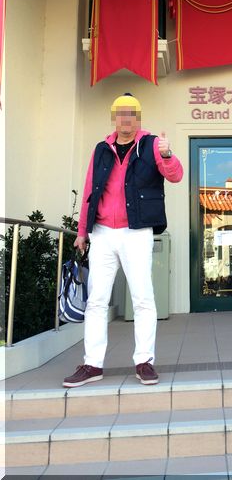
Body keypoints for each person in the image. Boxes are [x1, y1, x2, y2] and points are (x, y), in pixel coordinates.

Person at [63, 93, 183, 388]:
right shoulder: (101, 149)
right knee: (97, 300)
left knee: (143, 298)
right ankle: (92, 364)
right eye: (120, 113)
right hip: (102, 233)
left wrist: (168, 154)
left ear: (138, 118)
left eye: (131, 113)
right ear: (114, 118)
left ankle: (144, 361)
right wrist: (82, 231)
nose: (125, 118)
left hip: (136, 232)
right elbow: (90, 190)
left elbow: (176, 176)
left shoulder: (151, 145)